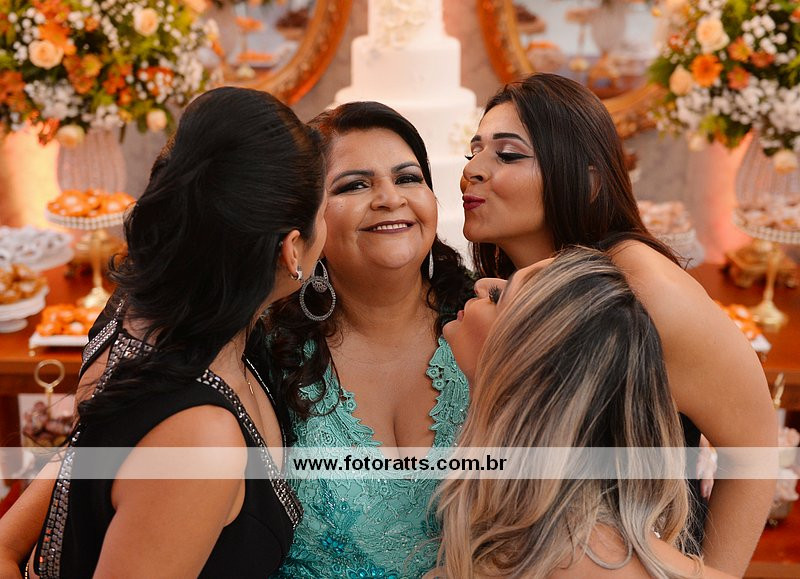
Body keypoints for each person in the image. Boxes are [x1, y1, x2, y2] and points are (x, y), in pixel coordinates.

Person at [0, 86, 327, 577]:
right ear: (292, 249)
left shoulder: (147, 312)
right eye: (325, 213)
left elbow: (87, 458)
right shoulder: (198, 443)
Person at [460, 73, 776, 576]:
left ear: (588, 182)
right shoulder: (503, 290)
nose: (472, 170)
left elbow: (755, 444)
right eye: (473, 151)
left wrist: (712, 571)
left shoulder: (645, 291)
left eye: (508, 155)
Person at [265, 101, 474, 578]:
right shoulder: (266, 352)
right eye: (354, 185)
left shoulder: (490, 324)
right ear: (309, 218)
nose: (389, 198)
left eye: (408, 178)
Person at [438, 247, 732, 578]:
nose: (480, 285)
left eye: (497, 299)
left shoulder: (575, 557)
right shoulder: (538, 533)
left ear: (531, 370)